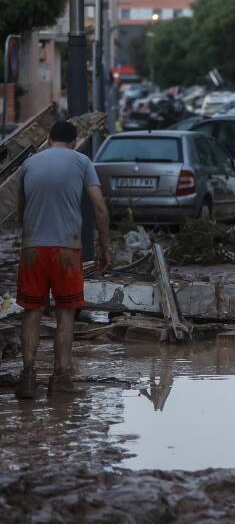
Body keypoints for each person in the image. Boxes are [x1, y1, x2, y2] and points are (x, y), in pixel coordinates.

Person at [15, 121, 111, 398]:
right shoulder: (82, 161)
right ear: (75, 140)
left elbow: (21, 209)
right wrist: (105, 249)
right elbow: (99, 208)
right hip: (67, 251)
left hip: (32, 249)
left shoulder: (30, 164)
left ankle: (28, 379)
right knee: (65, 314)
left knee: (31, 313)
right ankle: (60, 379)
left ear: (48, 138)